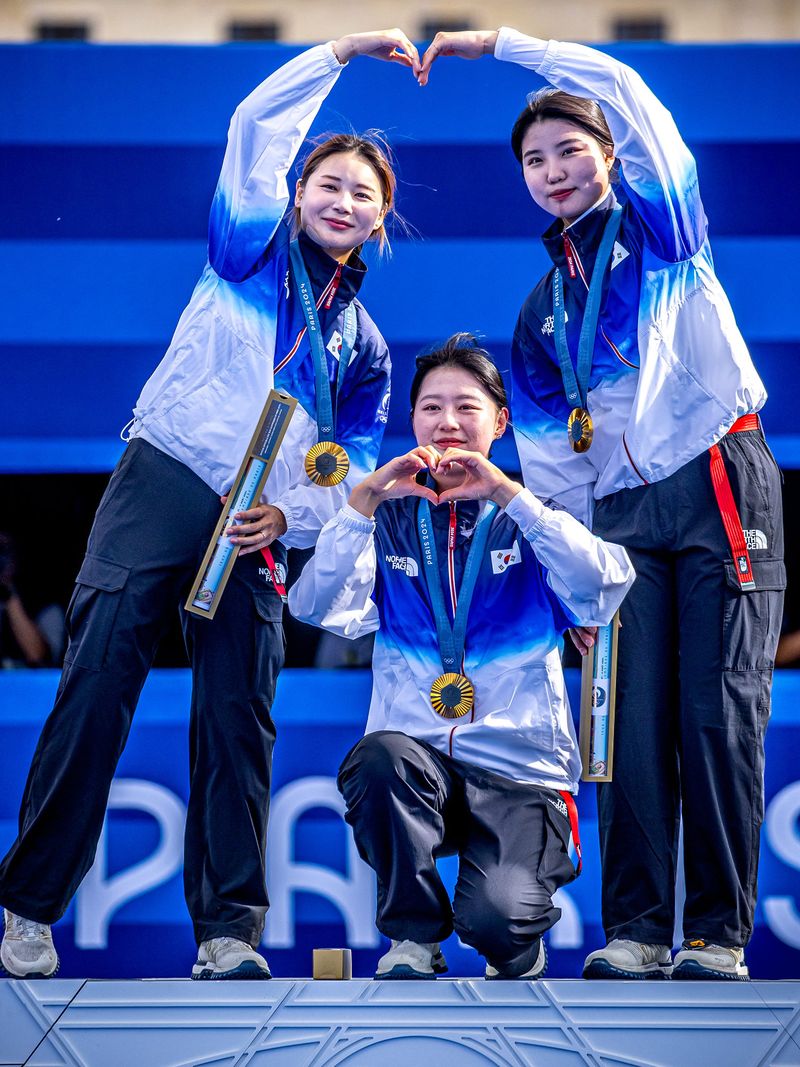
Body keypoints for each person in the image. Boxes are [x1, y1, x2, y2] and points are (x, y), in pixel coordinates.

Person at [0, 28, 422, 981]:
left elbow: (349, 468)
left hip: (254, 524)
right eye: (329, 184)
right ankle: (27, 910)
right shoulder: (247, 248)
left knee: (240, 714)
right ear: (298, 194)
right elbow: (253, 126)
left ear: (381, 217)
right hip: (167, 475)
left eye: (364, 193)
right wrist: (342, 53)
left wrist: (295, 520)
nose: (343, 200)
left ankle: (228, 929)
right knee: (99, 678)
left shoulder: (367, 350)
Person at [419, 30, 785, 980]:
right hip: (616, 522)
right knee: (623, 724)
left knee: (716, 713)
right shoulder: (541, 311)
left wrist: (507, 46)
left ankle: (714, 932)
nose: (552, 171)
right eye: (534, 160)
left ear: (611, 155)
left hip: (712, 481)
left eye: (570, 151)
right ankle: (634, 927)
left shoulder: (665, 230)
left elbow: (622, 85)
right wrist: (576, 583)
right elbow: (551, 468)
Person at [289, 334, 634, 979]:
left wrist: (510, 496)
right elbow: (316, 606)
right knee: (378, 759)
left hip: (520, 771)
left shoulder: (535, 516)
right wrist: (363, 502)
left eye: (466, 407)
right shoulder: (387, 521)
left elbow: (605, 584)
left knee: (496, 921)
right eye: (430, 407)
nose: (447, 422)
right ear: (413, 420)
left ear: (500, 422)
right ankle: (414, 940)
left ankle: (514, 936)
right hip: (423, 767)